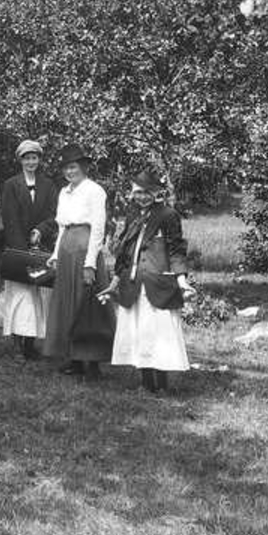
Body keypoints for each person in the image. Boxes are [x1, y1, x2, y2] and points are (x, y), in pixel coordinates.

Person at [100, 169, 196, 394]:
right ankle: (146, 383)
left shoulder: (168, 215)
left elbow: (176, 250)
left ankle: (162, 384)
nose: (142, 197)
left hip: (157, 283)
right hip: (134, 283)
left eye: (147, 192)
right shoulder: (133, 215)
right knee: (139, 332)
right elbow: (126, 252)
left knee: (158, 333)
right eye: (138, 193)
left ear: (156, 193)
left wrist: (182, 281)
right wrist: (114, 284)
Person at [43, 143, 116, 380]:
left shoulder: (94, 191)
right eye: (66, 168)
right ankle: (74, 358)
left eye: (73, 167)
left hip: (85, 248)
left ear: (84, 167)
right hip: (67, 249)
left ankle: (93, 361)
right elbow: (62, 228)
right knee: (68, 302)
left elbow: (98, 229)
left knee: (89, 303)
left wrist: (90, 263)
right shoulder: (64, 192)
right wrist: (55, 254)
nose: (69, 172)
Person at [0, 139, 59, 360]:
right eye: (27, 158)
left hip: (41, 247)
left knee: (37, 296)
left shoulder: (48, 185)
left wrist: (41, 230)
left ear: (39, 160)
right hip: (18, 249)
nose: (31, 162)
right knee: (19, 296)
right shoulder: (11, 185)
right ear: (20, 160)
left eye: (34, 158)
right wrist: (22, 251)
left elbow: (54, 214)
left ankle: (30, 344)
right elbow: (9, 218)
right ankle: (17, 344)